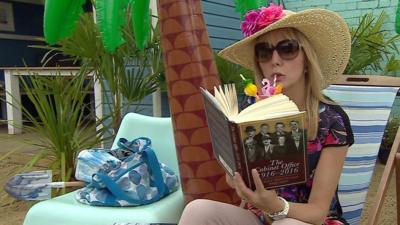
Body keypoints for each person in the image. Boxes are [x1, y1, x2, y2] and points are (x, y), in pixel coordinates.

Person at [178, 3, 354, 225]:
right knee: (198, 211)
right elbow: (232, 179)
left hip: (307, 221)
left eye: (287, 48)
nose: (275, 60)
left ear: (307, 59)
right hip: (260, 216)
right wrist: (236, 178)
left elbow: (318, 212)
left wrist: (276, 206)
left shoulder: (332, 121)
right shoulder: (252, 108)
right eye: (264, 51)